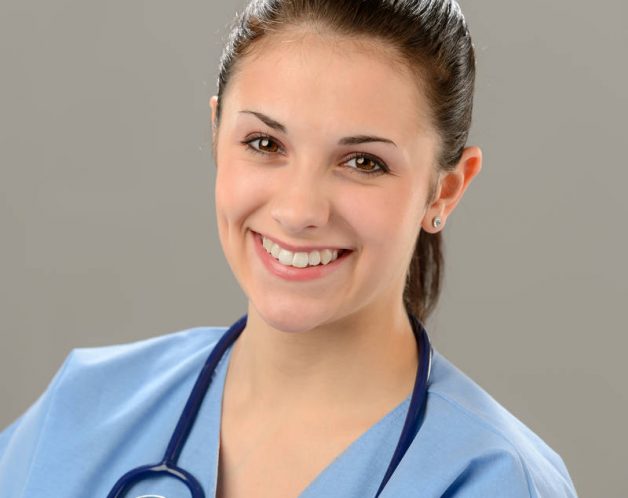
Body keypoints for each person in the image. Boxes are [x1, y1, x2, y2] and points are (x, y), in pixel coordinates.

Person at [0, 0, 578, 496]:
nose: (299, 211)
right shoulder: (85, 409)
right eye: (264, 142)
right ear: (216, 133)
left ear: (445, 189)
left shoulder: (494, 478)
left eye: (363, 162)